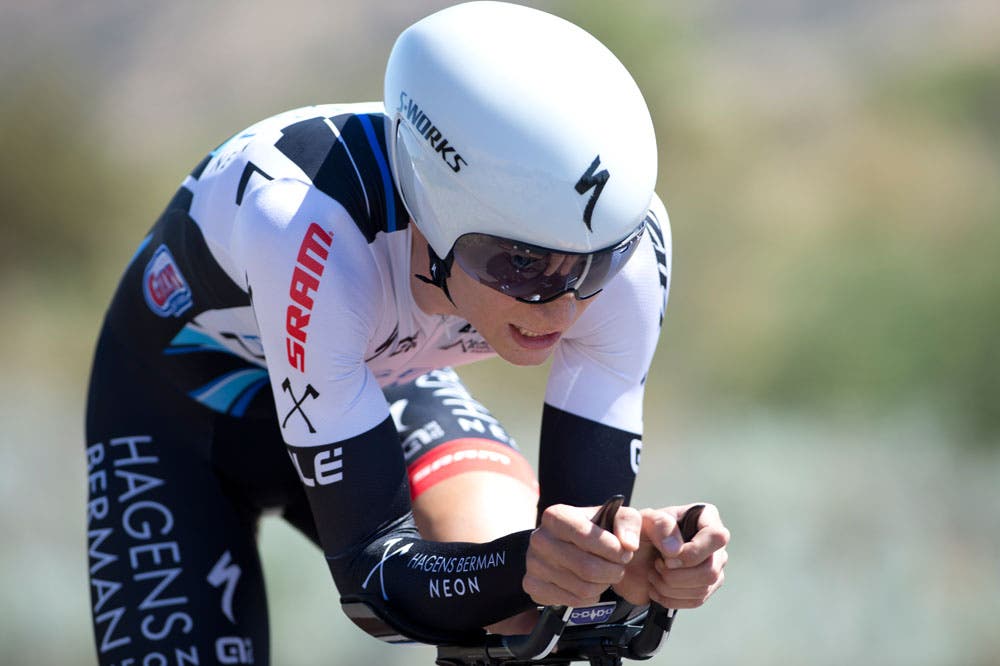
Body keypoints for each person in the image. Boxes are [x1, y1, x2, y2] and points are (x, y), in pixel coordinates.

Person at [84, 2, 729, 664]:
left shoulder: (634, 243)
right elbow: (373, 585)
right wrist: (533, 568)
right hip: (180, 411)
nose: (561, 310)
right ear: (434, 209)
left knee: (527, 620)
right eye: (523, 264)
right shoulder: (309, 223)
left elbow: (571, 577)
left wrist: (628, 563)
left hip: (373, 378)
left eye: (597, 263)